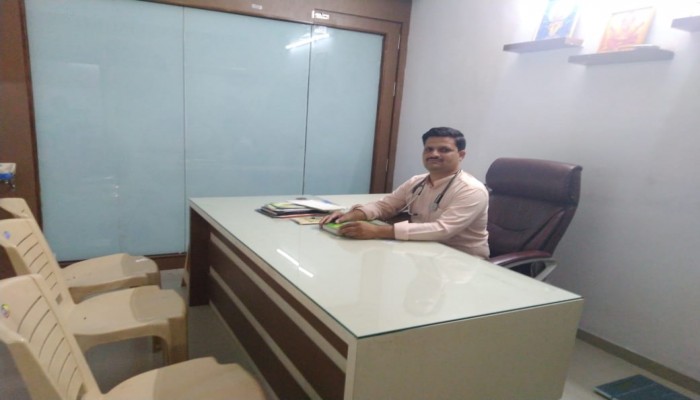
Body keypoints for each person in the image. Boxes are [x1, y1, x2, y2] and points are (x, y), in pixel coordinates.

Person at [319, 127, 490, 259]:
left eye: (444, 150)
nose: (434, 154)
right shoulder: (417, 182)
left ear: (461, 155)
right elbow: (384, 206)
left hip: (461, 262)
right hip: (423, 252)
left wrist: (377, 231)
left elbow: (442, 229)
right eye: (429, 149)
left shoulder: (471, 190)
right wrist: (352, 215)